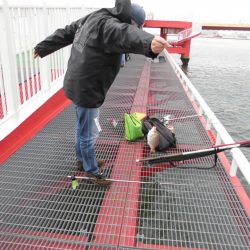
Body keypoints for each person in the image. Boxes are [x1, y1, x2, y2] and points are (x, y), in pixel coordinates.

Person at [33, 0, 170, 187]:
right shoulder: (111, 26)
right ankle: (92, 171)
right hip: (88, 88)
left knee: (82, 128)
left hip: (76, 82)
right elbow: (126, 34)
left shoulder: (95, 17)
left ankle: (82, 161)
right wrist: (148, 43)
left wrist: (43, 47)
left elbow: (66, 32)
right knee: (88, 133)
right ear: (130, 21)